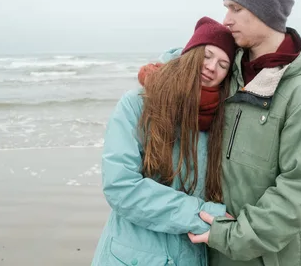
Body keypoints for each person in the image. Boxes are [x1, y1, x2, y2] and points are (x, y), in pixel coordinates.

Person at [186, 0, 301, 265]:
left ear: (265, 11)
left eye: (236, 8)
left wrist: (234, 236)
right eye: (226, 8)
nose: (226, 20)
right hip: (211, 245)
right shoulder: (228, 70)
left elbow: (299, 190)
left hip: (265, 256)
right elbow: (190, 55)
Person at [90, 16, 237, 266]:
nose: (212, 67)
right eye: (207, 55)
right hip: (130, 257)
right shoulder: (138, 102)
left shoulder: (220, 119)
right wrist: (206, 214)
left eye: (223, 64)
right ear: (190, 53)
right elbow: (120, 186)